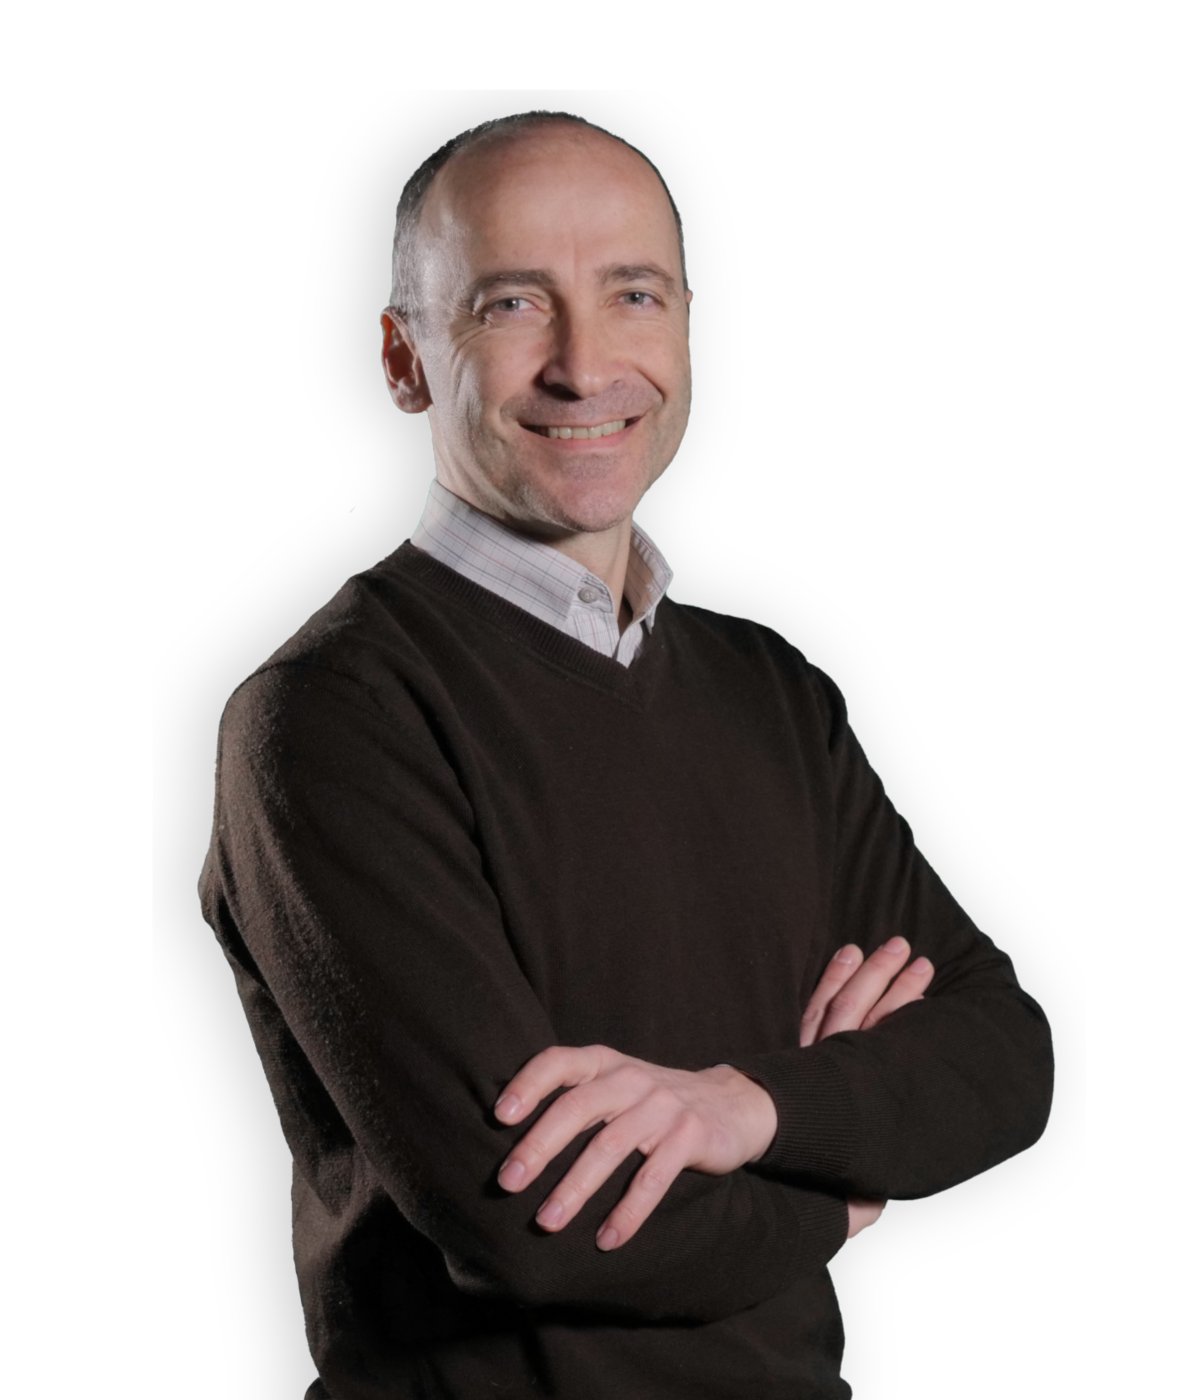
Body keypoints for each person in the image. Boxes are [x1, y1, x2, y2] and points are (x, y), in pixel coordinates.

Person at [198, 110, 1054, 1398]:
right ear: (405, 360)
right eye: (510, 304)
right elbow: (535, 1225)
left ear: (687, 326)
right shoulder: (328, 716)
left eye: (633, 294)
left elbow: (1006, 1055)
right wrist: (847, 1188)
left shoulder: (771, 688)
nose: (586, 364)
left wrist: (752, 1106)